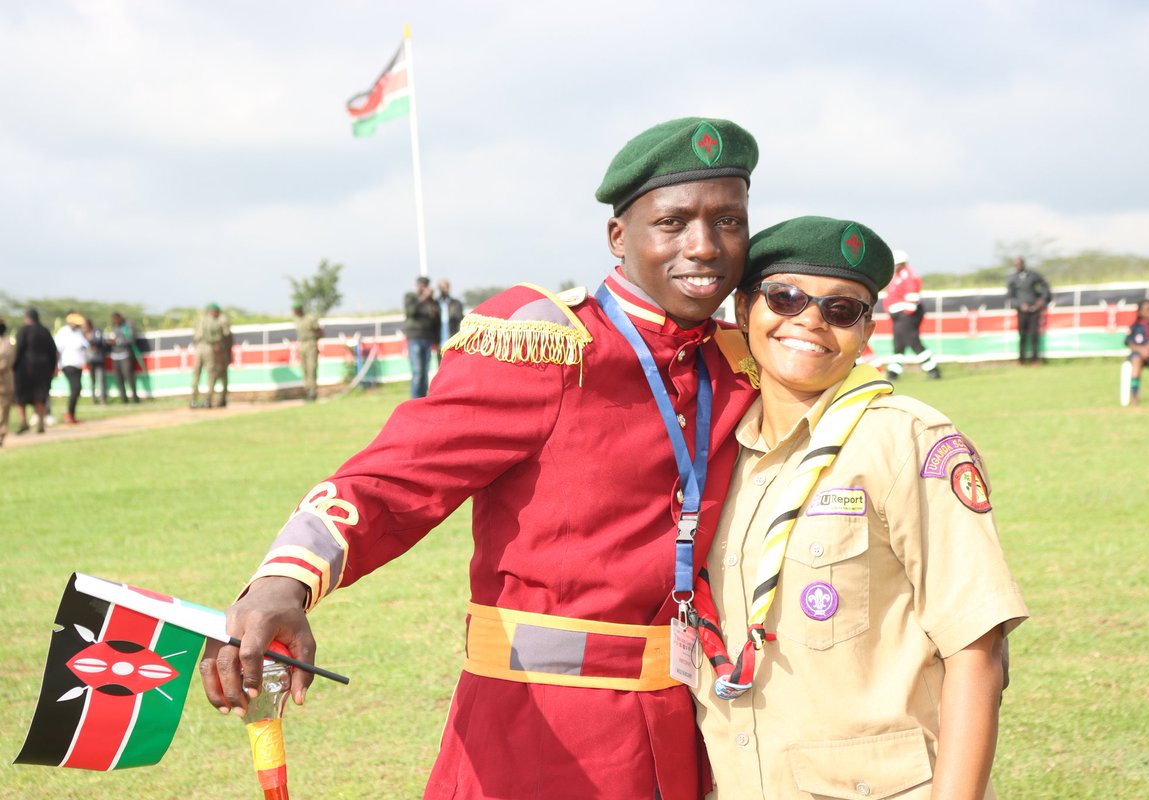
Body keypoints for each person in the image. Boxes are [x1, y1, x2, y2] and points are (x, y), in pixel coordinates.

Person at [199, 117, 761, 800]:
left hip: (696, 732)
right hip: (537, 736)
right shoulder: (548, 345)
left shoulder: (741, 363)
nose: (704, 247)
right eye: (672, 223)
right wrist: (284, 582)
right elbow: (395, 478)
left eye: (729, 221)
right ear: (619, 237)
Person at [691, 216, 1028, 800]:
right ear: (744, 311)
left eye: (842, 309)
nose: (811, 321)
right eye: (785, 297)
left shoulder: (906, 440)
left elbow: (978, 649)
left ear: (866, 330)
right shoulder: (718, 453)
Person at [882, 249, 941, 379]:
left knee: (913, 342)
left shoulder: (907, 276)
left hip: (906, 316)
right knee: (899, 344)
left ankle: (933, 371)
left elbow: (912, 297)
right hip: (899, 317)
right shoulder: (896, 276)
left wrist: (905, 314)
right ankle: (893, 373)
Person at [13, 309, 57, 435]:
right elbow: (53, 351)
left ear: (27, 318)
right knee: (40, 396)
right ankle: (41, 424)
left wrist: (13, 367)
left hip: (24, 369)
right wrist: (53, 368)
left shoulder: (23, 331)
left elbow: (18, 350)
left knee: (20, 397)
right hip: (43, 368)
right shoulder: (45, 331)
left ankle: (23, 423)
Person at [1005, 256, 1051, 364]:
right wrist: (1020, 305)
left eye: (1020, 264)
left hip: (1035, 310)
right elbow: (1010, 297)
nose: (1018, 266)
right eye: (1016, 264)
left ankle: (1035, 359)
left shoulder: (1033, 275)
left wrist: (1042, 300)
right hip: (1022, 312)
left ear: (1024, 264)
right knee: (1022, 336)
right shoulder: (1012, 278)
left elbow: (1045, 286)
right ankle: (1021, 359)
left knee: (1035, 335)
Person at [403, 276, 440, 399]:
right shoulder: (410, 297)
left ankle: (422, 399)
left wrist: (430, 301)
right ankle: (415, 400)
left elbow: (435, 320)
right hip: (414, 338)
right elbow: (411, 311)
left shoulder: (431, 302)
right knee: (418, 372)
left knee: (425, 372)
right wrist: (424, 298)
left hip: (427, 338)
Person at [53, 312, 90, 424]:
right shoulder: (63, 332)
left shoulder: (79, 333)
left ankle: (71, 414)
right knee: (76, 388)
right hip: (68, 365)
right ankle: (69, 414)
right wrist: (56, 366)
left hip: (78, 365)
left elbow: (85, 346)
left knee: (77, 389)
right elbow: (58, 350)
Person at [191, 303, 230, 408]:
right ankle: (208, 400)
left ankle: (193, 400)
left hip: (198, 348)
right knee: (211, 373)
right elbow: (222, 337)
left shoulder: (199, 320)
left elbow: (194, 335)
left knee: (196, 373)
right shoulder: (216, 321)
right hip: (210, 348)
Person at [109, 311, 141, 404]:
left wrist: (118, 342)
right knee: (118, 378)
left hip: (126, 355)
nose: (115, 321)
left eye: (116, 319)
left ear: (120, 318)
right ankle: (124, 399)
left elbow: (131, 339)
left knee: (129, 376)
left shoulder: (128, 325)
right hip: (115, 356)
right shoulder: (115, 327)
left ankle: (135, 398)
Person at [293, 303, 323, 401]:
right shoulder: (296, 319)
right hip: (302, 345)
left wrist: (315, 341)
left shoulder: (310, 318)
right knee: (304, 368)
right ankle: (307, 390)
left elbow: (320, 331)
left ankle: (312, 391)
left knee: (311, 367)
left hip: (311, 344)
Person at [435, 279, 464, 363]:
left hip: (453, 342)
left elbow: (460, 321)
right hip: (439, 343)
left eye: (446, 287)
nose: (444, 289)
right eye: (442, 287)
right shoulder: (434, 304)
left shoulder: (456, 304)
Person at [84, 317, 109, 404]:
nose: (84, 327)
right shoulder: (83, 334)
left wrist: (91, 341)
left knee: (101, 380)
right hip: (90, 360)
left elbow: (98, 341)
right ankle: (93, 399)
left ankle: (103, 399)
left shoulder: (96, 331)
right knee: (92, 380)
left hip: (99, 359)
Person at [0, 317, 13, 447]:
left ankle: (1, 434)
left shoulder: (8, 343)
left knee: (3, 410)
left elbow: (6, 363)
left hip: (4, 383)